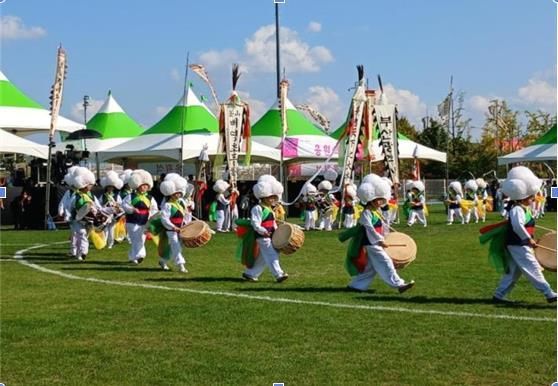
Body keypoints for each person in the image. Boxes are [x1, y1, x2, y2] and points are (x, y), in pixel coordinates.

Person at [487, 166, 557, 304]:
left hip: (519, 243)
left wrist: (530, 237)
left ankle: (498, 296)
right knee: (533, 267)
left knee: (513, 272)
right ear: (524, 197)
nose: (533, 199)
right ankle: (549, 294)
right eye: (531, 197)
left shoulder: (523, 209)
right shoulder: (517, 209)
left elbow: (523, 226)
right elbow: (517, 226)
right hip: (518, 244)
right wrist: (528, 239)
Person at [342, 174, 415, 293]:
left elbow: (383, 226)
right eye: (378, 199)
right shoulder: (366, 213)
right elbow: (370, 229)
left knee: (370, 268)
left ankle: (356, 286)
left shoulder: (375, 211)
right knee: (386, 261)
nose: (381, 201)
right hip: (372, 244)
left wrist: (391, 235)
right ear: (371, 200)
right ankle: (399, 284)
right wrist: (380, 240)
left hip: (376, 242)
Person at [239, 175, 288, 283]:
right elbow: (255, 224)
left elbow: (273, 223)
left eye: (274, 197)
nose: (273, 199)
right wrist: (264, 231)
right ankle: (279, 274)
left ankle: (250, 274)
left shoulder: (269, 209)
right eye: (270, 197)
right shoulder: (257, 208)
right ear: (263, 196)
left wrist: (277, 231)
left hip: (269, 236)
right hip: (262, 236)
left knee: (263, 257)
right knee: (272, 254)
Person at [122, 169, 158, 264]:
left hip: (144, 221)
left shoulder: (150, 198)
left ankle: (132, 257)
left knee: (141, 239)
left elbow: (154, 209)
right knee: (136, 238)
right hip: (132, 221)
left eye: (146, 185)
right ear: (137, 185)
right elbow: (124, 205)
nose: (144, 187)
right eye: (143, 185)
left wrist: (151, 217)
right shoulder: (131, 196)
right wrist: (132, 209)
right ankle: (140, 256)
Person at [67, 167, 101, 261]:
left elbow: (98, 206)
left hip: (88, 221)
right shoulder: (76, 196)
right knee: (81, 234)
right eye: (90, 185)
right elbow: (70, 207)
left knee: (84, 236)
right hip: (77, 220)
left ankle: (80, 253)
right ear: (84, 185)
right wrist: (69, 216)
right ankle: (82, 253)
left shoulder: (91, 196)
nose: (91, 186)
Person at [158, 178, 188, 272]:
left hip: (181, 229)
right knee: (176, 246)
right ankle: (181, 266)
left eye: (179, 193)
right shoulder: (167, 205)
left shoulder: (181, 203)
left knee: (175, 247)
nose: (179, 195)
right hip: (171, 230)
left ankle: (163, 261)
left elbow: (186, 216)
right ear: (171, 194)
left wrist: (186, 225)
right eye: (176, 193)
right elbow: (164, 219)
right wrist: (173, 227)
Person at [99, 171, 124, 249]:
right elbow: (99, 204)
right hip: (106, 214)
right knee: (105, 230)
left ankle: (110, 244)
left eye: (111, 187)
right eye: (109, 187)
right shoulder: (103, 196)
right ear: (106, 187)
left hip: (114, 215)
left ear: (113, 187)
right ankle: (104, 243)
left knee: (111, 230)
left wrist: (116, 205)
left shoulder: (116, 196)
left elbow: (120, 204)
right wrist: (104, 206)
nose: (110, 188)